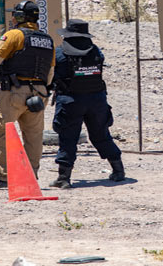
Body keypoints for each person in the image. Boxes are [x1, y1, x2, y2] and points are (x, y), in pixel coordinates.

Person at [0, 0, 55, 190]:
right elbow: (50, 75)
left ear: (21, 18)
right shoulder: (48, 39)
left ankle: (6, 179)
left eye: (16, 16)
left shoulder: (14, 35)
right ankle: (31, 176)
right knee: (34, 136)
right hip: (39, 93)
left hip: (14, 92)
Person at [49, 19, 125, 189]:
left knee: (68, 138)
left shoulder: (60, 53)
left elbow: (52, 77)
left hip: (70, 101)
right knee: (101, 134)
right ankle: (118, 171)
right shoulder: (96, 51)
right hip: (97, 100)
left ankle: (63, 178)